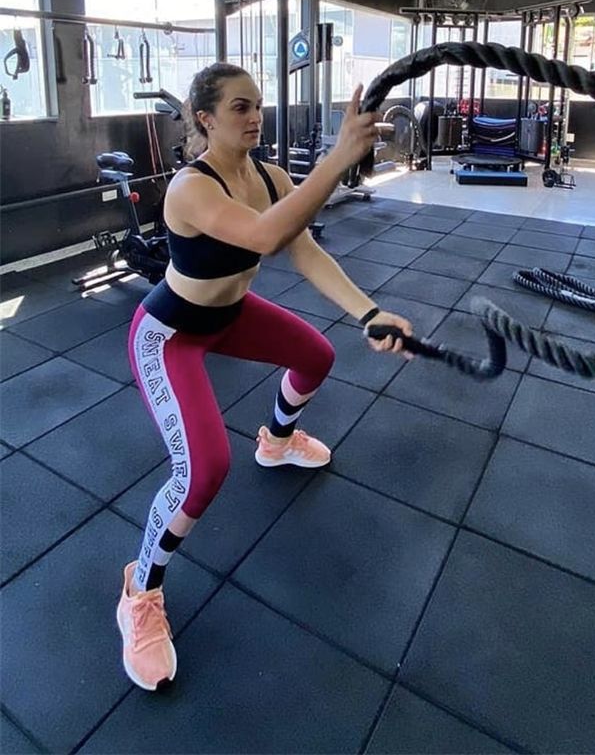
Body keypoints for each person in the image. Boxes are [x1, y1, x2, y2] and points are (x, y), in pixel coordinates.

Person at [117, 62, 414, 691]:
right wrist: (338, 158)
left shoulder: (272, 177)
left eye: (258, 105)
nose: (255, 117)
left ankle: (276, 442)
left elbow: (305, 249)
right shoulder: (190, 189)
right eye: (239, 107)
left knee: (316, 356)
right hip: (169, 334)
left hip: (230, 315)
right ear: (205, 119)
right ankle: (139, 590)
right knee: (203, 471)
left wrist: (369, 313)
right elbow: (266, 235)